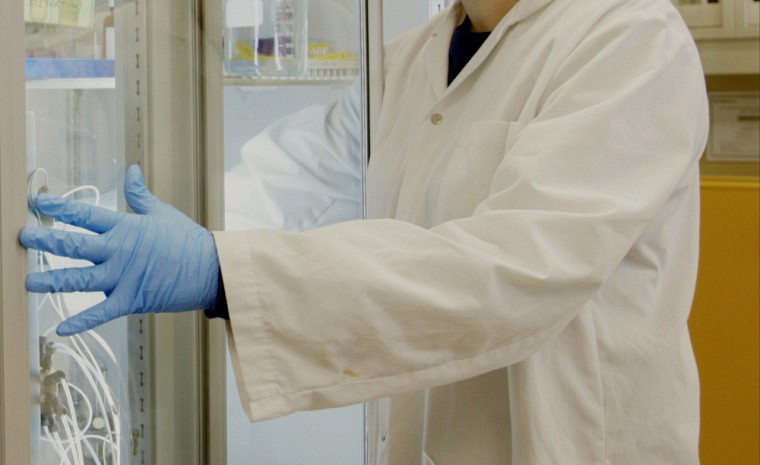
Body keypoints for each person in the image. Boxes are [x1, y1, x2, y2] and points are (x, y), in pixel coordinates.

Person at [20, 0, 709, 463]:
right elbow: (285, 176)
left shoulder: (630, 39)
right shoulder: (411, 60)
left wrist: (220, 270)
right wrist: (86, 223)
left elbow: (510, 270)